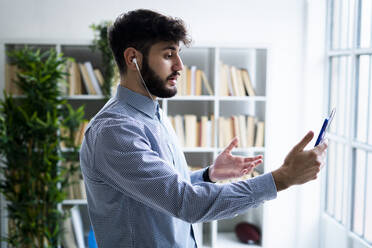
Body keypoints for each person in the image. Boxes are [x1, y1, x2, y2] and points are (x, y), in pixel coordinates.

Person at [79, 9, 328, 248]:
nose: (180, 66)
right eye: (168, 55)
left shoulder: (154, 116)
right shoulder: (115, 130)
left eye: (178, 55)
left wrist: (209, 176)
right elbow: (187, 204)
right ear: (132, 58)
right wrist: (282, 178)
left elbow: (163, 192)